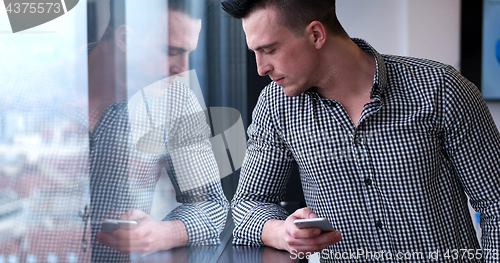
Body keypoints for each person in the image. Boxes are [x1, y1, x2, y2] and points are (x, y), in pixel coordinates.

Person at [221, 0, 500, 261]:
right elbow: (248, 205)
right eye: (255, 52)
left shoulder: (440, 89)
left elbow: (495, 203)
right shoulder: (277, 107)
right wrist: (282, 233)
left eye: (269, 50)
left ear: (316, 35)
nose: (261, 68)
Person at [88, 0, 228, 262]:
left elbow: (211, 206)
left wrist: (163, 233)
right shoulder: (30, 89)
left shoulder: (175, 99)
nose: (183, 69)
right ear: (124, 39)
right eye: (171, 51)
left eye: (188, 53)